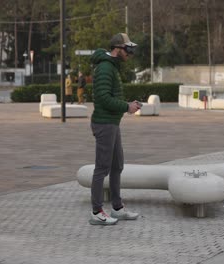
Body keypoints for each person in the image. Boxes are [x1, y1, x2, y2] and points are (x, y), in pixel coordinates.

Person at [88, 33, 142, 226]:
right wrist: (126, 107)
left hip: (112, 122)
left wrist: (127, 105)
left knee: (117, 165)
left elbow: (110, 97)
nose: (130, 54)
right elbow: (102, 98)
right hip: (104, 123)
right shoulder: (105, 68)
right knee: (102, 168)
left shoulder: (112, 67)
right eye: (128, 49)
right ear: (117, 49)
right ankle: (96, 212)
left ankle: (117, 208)